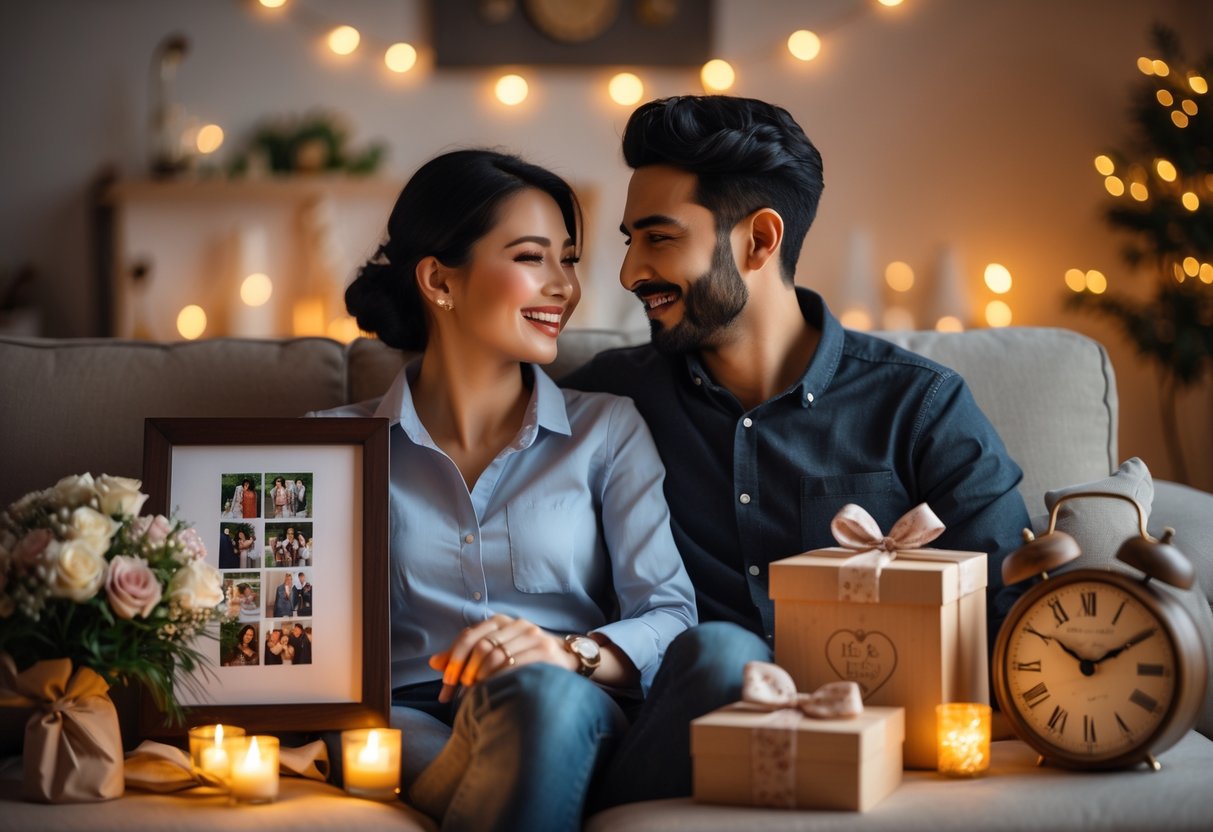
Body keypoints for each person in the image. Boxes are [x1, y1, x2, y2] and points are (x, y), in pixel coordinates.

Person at [561, 94, 1032, 808]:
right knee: (720, 655)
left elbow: (1011, 617)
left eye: (657, 239)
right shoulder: (607, 403)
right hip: (664, 743)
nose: (628, 273)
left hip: (860, 749)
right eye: (628, 241)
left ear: (758, 241)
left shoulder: (918, 406)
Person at [314, 148, 696, 832]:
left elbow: (671, 615)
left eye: (568, 259)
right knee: (384, 743)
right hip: (404, 723)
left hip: (567, 701)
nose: (564, 286)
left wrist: (566, 653)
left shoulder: (605, 429)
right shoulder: (328, 449)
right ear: (438, 281)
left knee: (542, 702)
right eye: (531, 257)